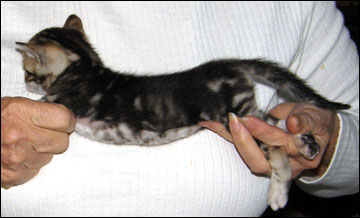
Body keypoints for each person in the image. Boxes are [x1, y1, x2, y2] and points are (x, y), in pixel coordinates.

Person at [1, 1, 358, 216]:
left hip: (189, 99)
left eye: (33, 73)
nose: (31, 83)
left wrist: (330, 147)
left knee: (254, 124)